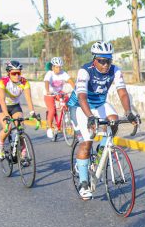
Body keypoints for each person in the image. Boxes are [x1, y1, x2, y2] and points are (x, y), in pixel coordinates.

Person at [68, 42, 139, 200]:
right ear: (94, 59)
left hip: (99, 104)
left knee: (114, 120)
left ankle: (101, 151)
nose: (105, 64)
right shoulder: (85, 71)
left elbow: (122, 93)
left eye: (108, 60)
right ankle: (84, 183)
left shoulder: (115, 70)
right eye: (101, 61)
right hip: (80, 106)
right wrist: (90, 117)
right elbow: (82, 97)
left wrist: (128, 113)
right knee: (86, 142)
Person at [0, 60, 39, 159]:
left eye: (19, 73)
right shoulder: (3, 82)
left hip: (15, 106)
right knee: (8, 127)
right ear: (9, 73)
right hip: (1, 106)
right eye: (14, 73)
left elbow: (28, 98)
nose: (17, 76)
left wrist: (32, 112)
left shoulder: (24, 82)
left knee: (20, 128)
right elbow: (1, 100)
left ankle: (23, 153)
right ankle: (0, 146)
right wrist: (6, 115)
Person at [43, 57, 75, 139]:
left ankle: (67, 116)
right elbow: (46, 82)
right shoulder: (49, 73)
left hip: (59, 93)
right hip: (49, 94)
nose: (58, 69)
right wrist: (47, 90)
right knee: (52, 110)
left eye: (60, 67)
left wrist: (76, 89)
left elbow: (70, 81)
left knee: (68, 100)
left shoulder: (63, 73)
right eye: (57, 67)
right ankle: (50, 128)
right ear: (53, 67)